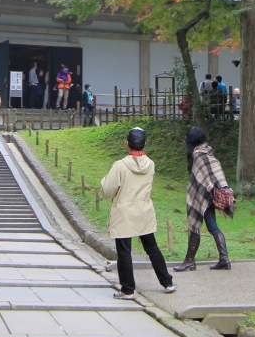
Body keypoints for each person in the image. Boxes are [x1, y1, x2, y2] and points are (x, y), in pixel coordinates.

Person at [101, 126, 176, 300]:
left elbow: (107, 191)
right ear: (145, 144)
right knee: (152, 248)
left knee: (124, 251)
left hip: (124, 212)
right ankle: (167, 282)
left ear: (127, 144)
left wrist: (104, 181)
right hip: (144, 211)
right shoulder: (151, 165)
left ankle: (127, 289)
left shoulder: (120, 166)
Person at [174, 126, 235, 273]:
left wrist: (204, 190)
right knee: (212, 226)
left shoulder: (198, 155)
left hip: (204, 196)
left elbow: (205, 178)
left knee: (196, 225)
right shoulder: (207, 152)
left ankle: (189, 261)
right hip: (210, 194)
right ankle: (223, 259)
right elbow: (214, 174)